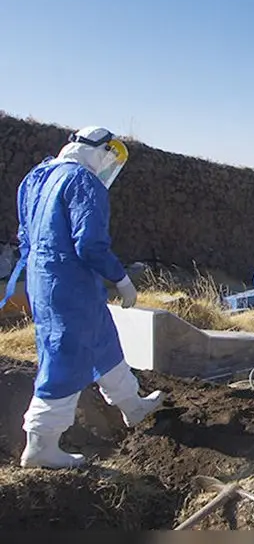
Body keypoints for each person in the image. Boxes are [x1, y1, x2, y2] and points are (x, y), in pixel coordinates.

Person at [6, 126, 165, 469]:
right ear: (101, 151)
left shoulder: (37, 178)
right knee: (67, 356)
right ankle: (41, 443)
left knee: (102, 341)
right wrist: (121, 278)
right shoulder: (83, 182)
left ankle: (132, 406)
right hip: (70, 284)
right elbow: (90, 243)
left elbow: (25, 234)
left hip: (46, 279)